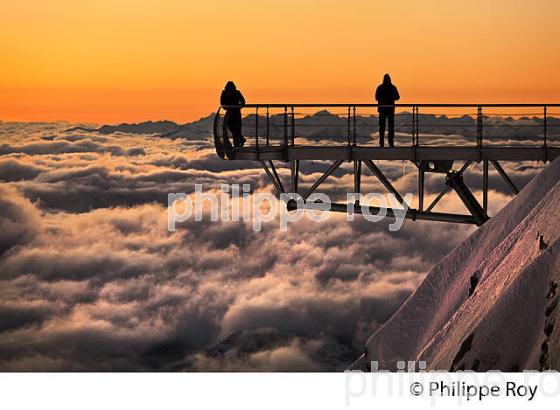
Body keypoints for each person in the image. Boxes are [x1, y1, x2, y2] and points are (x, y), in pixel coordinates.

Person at [375, 74, 400, 147]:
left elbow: (376, 98)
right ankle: (391, 142)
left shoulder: (379, 87)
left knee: (382, 127)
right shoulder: (393, 88)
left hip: (382, 110)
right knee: (391, 127)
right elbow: (397, 97)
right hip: (390, 110)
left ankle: (381, 142)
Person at [220, 81, 246, 147]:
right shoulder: (232, 92)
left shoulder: (227, 93)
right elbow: (222, 103)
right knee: (234, 129)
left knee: (236, 129)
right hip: (234, 113)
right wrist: (238, 107)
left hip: (233, 113)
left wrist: (236, 107)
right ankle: (240, 140)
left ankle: (237, 144)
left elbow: (243, 101)